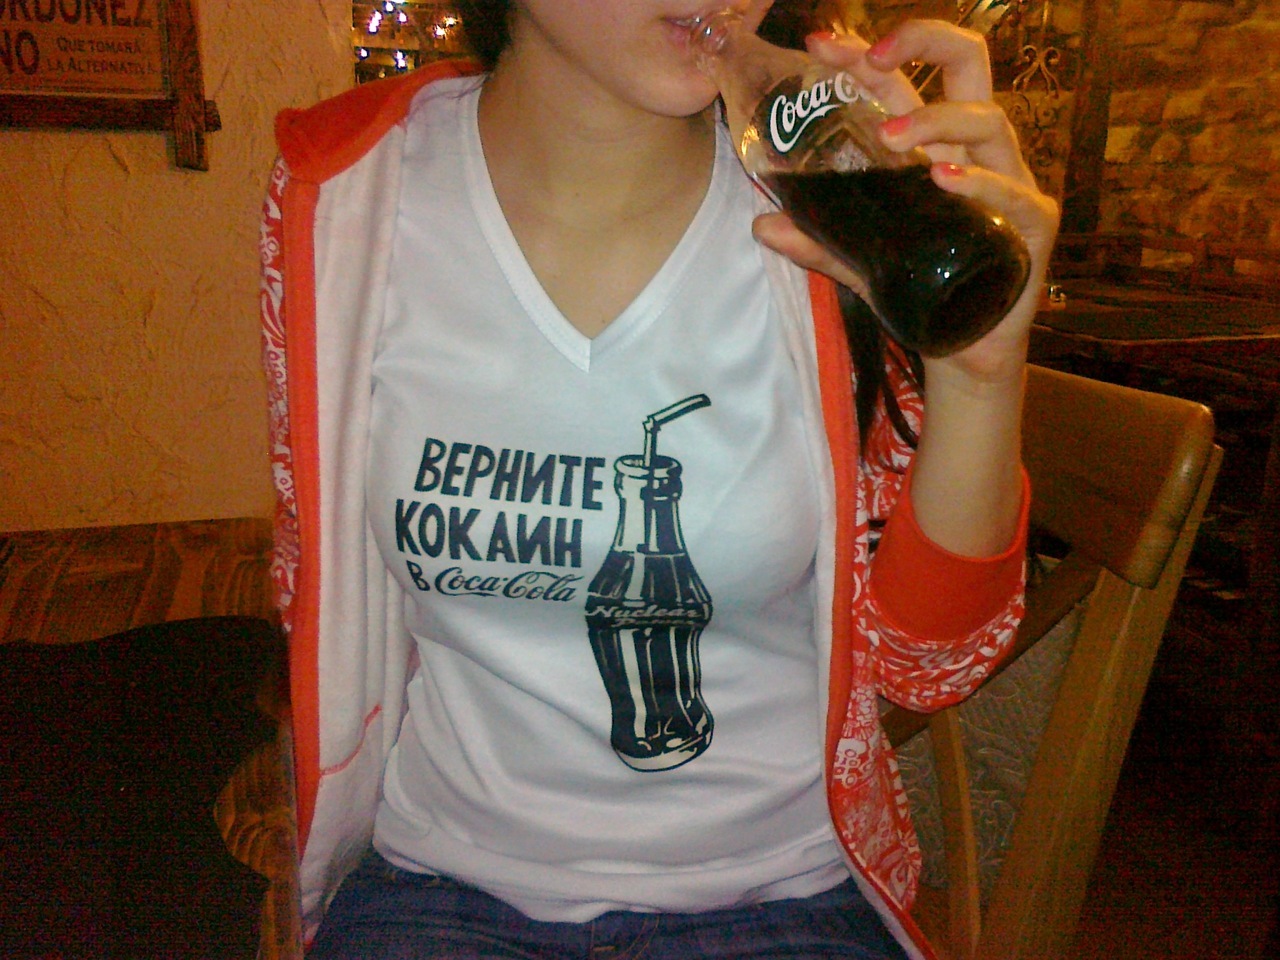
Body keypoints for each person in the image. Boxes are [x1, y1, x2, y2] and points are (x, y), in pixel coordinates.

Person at [258, 0, 1059, 957]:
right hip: (444, 881)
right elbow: (313, 583)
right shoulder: (345, 199)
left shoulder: (831, 190)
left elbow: (929, 667)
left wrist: (979, 375)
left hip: (778, 894)